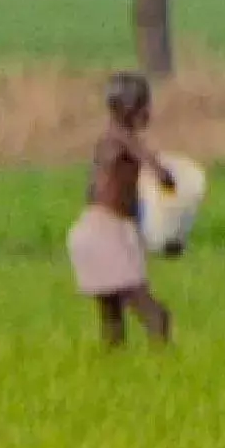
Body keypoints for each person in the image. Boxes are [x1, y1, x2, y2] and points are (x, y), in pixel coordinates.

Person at [67, 71, 179, 348]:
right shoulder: (124, 140)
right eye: (144, 105)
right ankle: (164, 374)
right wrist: (173, 183)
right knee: (155, 315)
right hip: (107, 231)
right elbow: (162, 175)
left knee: (112, 318)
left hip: (91, 228)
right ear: (131, 109)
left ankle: (113, 373)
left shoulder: (106, 141)